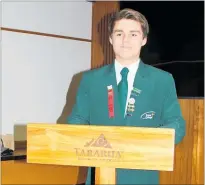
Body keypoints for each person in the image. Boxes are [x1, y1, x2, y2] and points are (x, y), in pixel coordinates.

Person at [67, 8, 186, 185]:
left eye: (133, 34)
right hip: (100, 173)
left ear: (144, 39)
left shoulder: (162, 80)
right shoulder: (90, 80)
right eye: (119, 33)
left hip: (143, 175)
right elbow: (76, 120)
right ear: (110, 38)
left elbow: (177, 123)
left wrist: (146, 141)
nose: (125, 40)